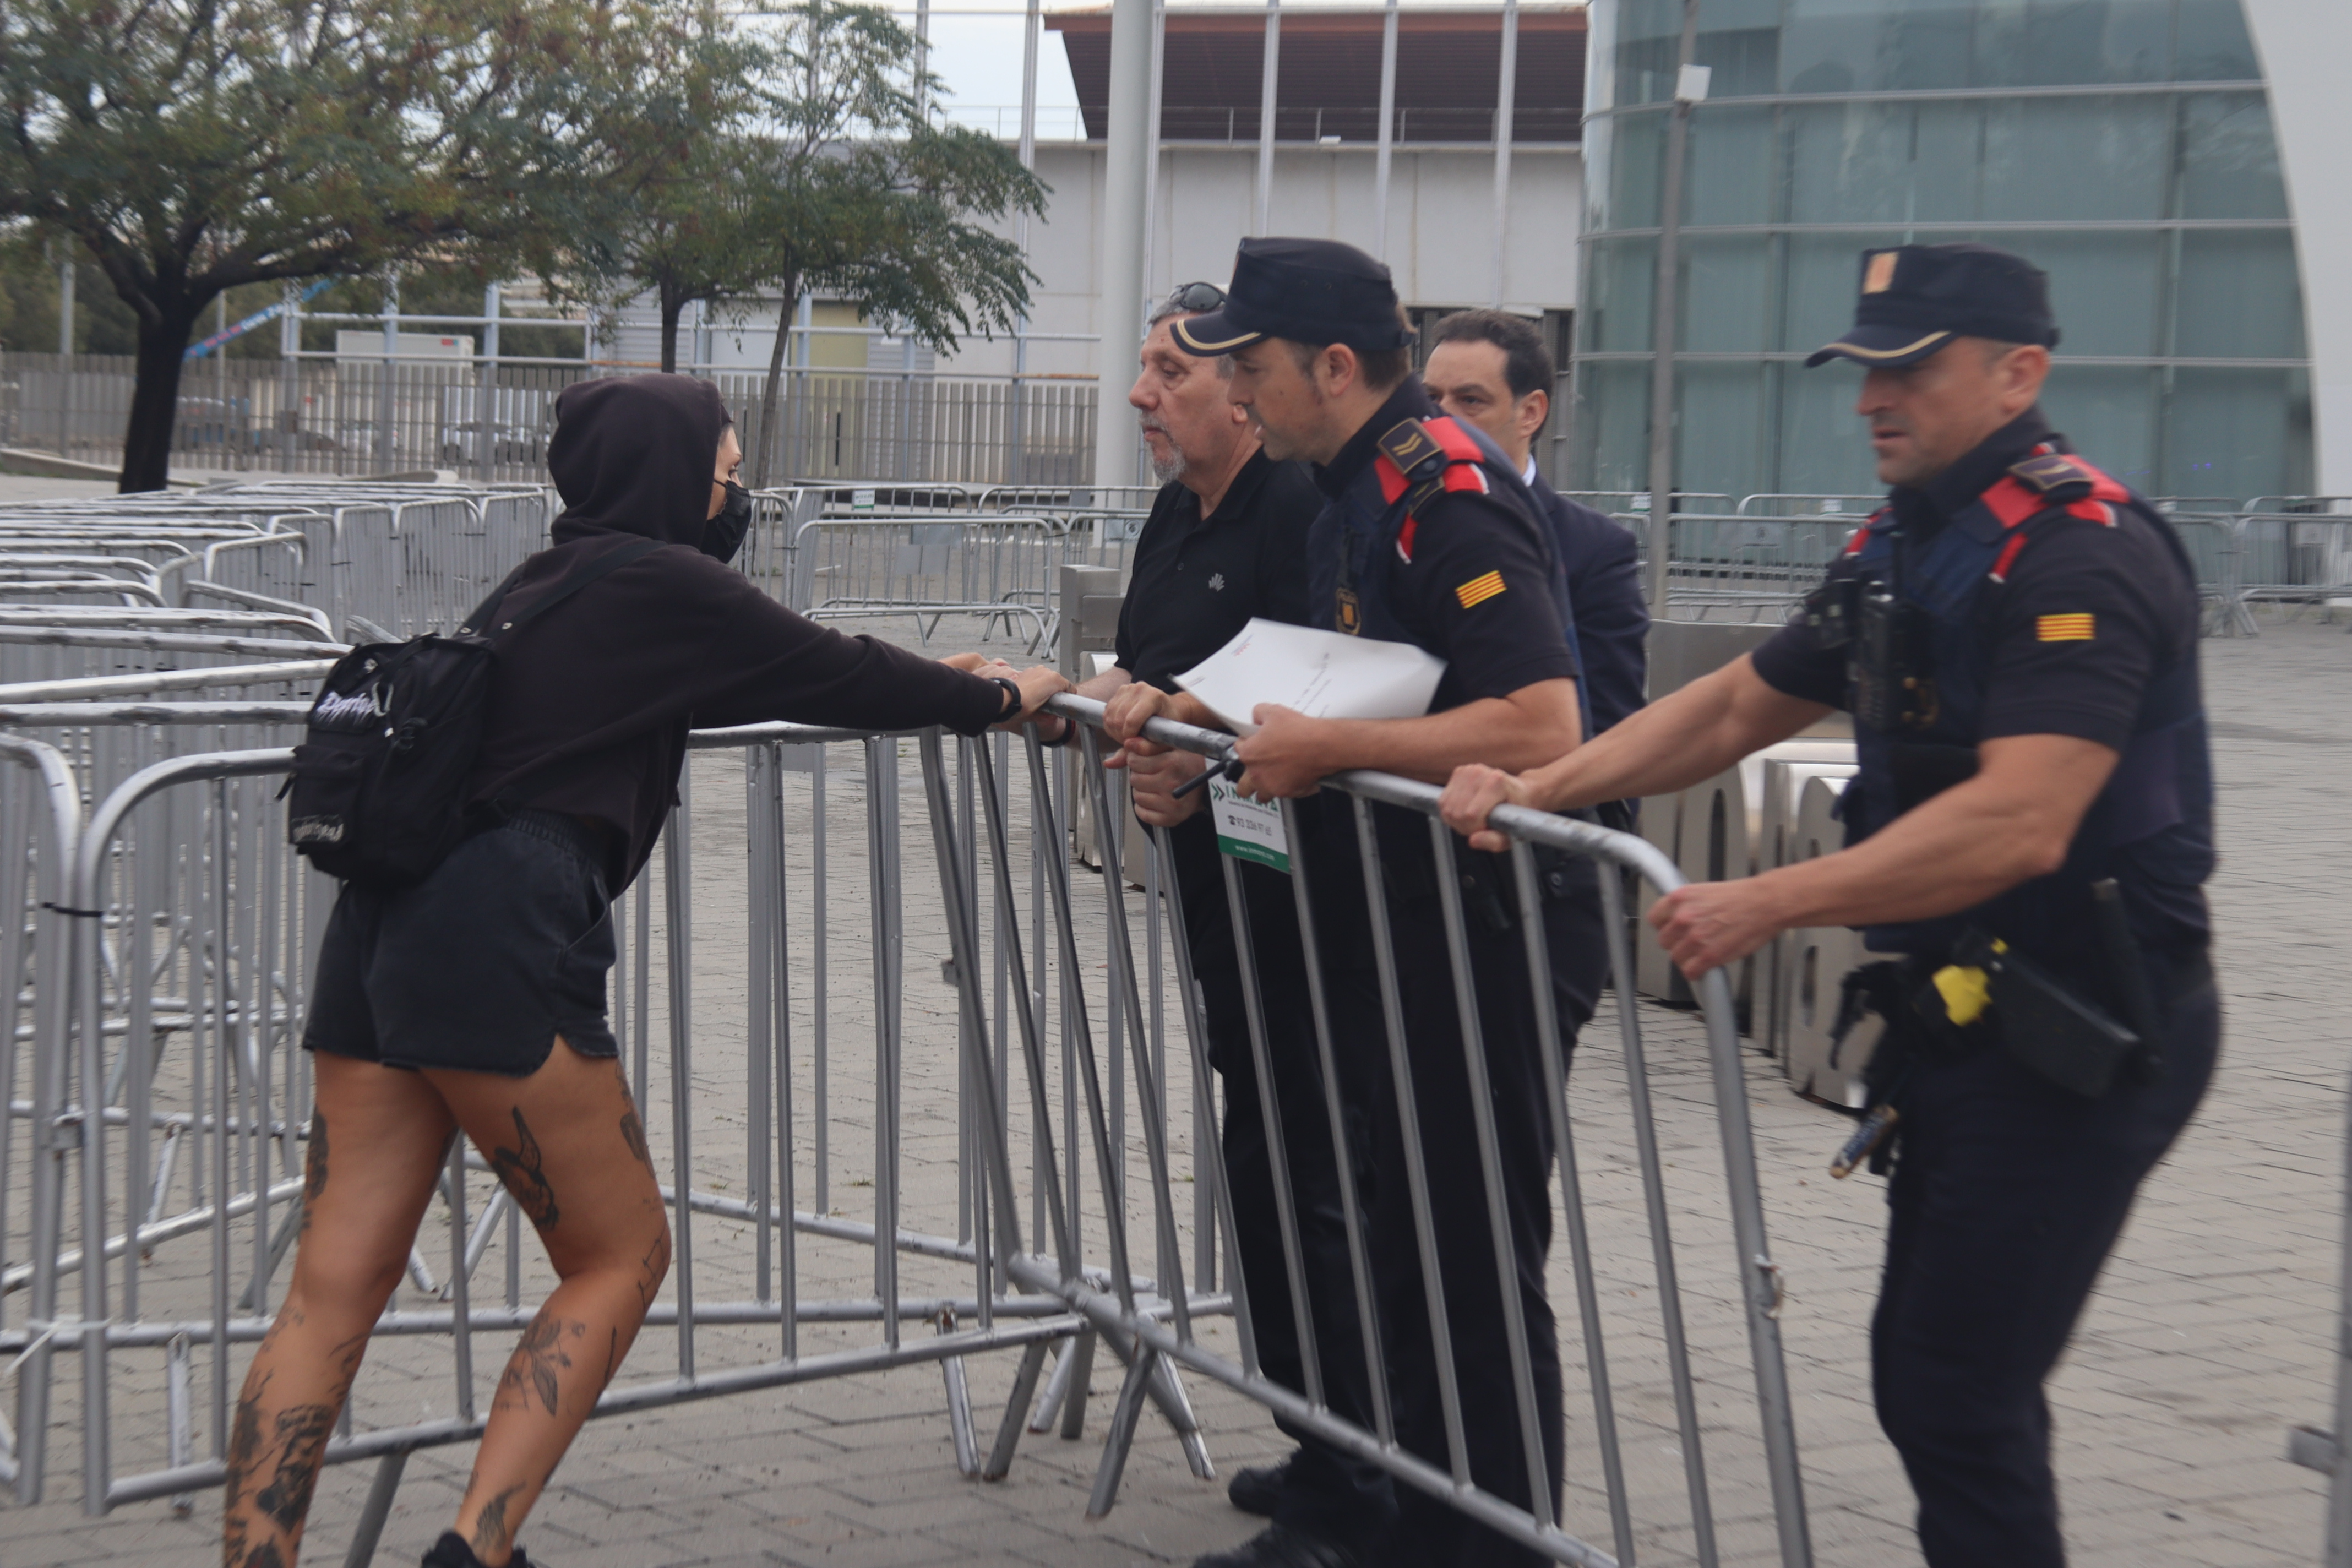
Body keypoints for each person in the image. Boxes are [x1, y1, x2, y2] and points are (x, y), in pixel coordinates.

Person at [1440, 243, 2220, 1568]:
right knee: (1933, 1379)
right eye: (1863, 369)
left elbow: (2021, 816)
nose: (1872, 397)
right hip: (1970, 1016)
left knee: (1953, 1391)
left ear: (2019, 372)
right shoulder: (1904, 538)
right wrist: (1541, 778)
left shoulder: (2077, 553)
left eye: (1909, 369)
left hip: (2085, 1025)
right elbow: (1746, 700)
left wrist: (1763, 901)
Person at [226, 374, 1067, 1568]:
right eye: (728, 462)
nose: (738, 485)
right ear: (677, 471)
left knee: (330, 1288)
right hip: (503, 921)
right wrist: (996, 694)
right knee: (622, 1253)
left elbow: (768, 673)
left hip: (381, 923)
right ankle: (478, 1547)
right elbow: (843, 672)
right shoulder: (671, 582)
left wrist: (935, 674)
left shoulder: (543, 582)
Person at [1111, 237, 1607, 1568]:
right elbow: (1356, 666)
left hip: (1464, 938)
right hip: (1387, 932)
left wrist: (1328, 753)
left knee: (1467, 1272)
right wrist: (1204, 708)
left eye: (1255, 369)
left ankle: (1493, 1541)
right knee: (1400, 1255)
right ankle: (1399, 1516)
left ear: (1333, 366)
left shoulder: (1444, 487)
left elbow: (1540, 715)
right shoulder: (1342, 482)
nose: (1245, 395)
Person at [1080, 284, 1397, 1565]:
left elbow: (1311, 691)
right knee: (1264, 1173)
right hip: (1222, 899)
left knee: (1319, 1180)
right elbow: (1154, 683)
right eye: (1143, 367)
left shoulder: (1302, 515)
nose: (1144, 394)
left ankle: (1361, 1476)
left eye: (1172, 369)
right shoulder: (1172, 512)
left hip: (1321, 912)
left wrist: (1188, 741)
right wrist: (1145, 749)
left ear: (1238, 389)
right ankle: (1323, 1435)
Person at [1420, 308, 1647, 740]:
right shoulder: (1394, 519)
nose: (1438, 420)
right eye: (1431, 399)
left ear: (1531, 413)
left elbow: (1609, 732)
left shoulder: (1594, 549)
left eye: (1470, 401)